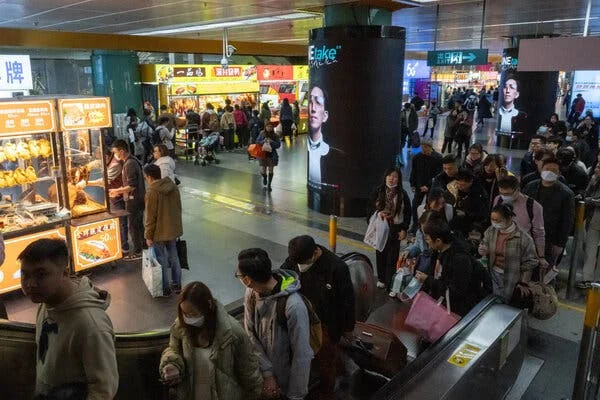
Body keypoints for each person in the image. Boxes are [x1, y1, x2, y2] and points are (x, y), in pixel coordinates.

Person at [19, 239, 118, 398]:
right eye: (25, 274)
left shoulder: (91, 325)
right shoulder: (46, 303)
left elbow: (103, 389)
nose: (30, 284)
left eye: (41, 275)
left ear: (65, 273)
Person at [159, 281, 263, 399]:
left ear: (208, 305)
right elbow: (173, 349)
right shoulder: (181, 326)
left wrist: (256, 393)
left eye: (193, 314)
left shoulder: (232, 332)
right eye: (184, 313)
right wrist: (171, 364)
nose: (188, 318)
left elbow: (248, 370)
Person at [283, 235, 355, 398]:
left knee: (326, 360)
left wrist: (348, 328)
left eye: (304, 263)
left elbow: (347, 301)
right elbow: (284, 275)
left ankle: (327, 389)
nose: (300, 267)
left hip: (327, 324)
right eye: (298, 264)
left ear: (315, 252)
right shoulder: (297, 257)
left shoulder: (337, 268)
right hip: (304, 319)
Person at [238, 248, 313, 400]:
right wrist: (267, 374)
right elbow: (250, 333)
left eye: (238, 275)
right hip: (264, 378)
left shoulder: (293, 306)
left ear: (247, 280)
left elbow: (302, 354)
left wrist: (295, 395)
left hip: (288, 385)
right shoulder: (251, 293)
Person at [478, 204, 539, 302]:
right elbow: (484, 243)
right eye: (492, 220)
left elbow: (530, 262)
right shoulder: (491, 231)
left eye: (498, 220)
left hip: (512, 278)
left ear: (509, 218)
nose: (494, 223)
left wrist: (523, 282)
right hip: (492, 273)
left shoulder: (524, 238)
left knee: (507, 303)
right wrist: (482, 249)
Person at [523, 158, 575, 270]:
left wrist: (560, 244)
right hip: (528, 235)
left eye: (553, 170)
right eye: (547, 169)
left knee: (544, 270)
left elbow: (567, 221)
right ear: (541, 169)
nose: (549, 172)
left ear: (559, 173)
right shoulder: (530, 186)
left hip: (550, 238)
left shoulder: (566, 194)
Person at [422, 222, 479, 316]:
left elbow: (455, 291)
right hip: (442, 303)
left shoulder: (460, 259)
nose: (427, 242)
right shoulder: (439, 251)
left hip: (455, 310)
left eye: (428, 239)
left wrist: (428, 280)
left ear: (438, 241)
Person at [143, 164, 183, 296]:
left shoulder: (151, 192)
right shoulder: (172, 186)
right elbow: (178, 207)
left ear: (149, 176)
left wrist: (148, 236)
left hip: (159, 231)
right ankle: (177, 284)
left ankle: (165, 288)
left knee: (161, 259)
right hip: (172, 228)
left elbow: (150, 217)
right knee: (174, 255)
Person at [369, 167, 412, 289]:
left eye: (395, 176)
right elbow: (369, 208)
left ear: (399, 179)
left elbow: (408, 213)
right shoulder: (378, 191)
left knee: (392, 256)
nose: (392, 179)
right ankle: (382, 279)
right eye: (390, 176)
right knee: (380, 253)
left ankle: (389, 282)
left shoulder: (402, 194)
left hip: (396, 228)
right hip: (381, 226)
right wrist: (378, 214)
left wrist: (404, 229)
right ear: (385, 177)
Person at [494, 176, 547, 270]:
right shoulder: (498, 200)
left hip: (521, 253)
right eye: (501, 193)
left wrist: (541, 256)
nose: (504, 196)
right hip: (499, 251)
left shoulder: (533, 206)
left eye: (507, 194)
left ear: (518, 190)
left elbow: (539, 233)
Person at [109, 139, 145, 260]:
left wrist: (117, 191)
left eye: (116, 152)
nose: (115, 155)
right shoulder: (131, 161)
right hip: (137, 199)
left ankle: (138, 252)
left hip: (134, 200)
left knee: (133, 226)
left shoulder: (129, 164)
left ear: (122, 151)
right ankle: (143, 247)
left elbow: (132, 185)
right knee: (138, 225)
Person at [409, 139, 442, 232]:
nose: (424, 149)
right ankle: (415, 224)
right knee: (415, 204)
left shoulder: (438, 158)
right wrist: (412, 184)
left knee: (430, 205)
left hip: (432, 187)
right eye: (422, 147)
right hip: (419, 185)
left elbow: (438, 175)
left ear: (431, 147)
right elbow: (414, 172)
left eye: (426, 147)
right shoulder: (417, 157)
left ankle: (428, 224)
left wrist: (428, 186)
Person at [579, 164, 600, 288]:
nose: (597, 169)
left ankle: (597, 280)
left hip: (595, 217)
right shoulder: (593, 180)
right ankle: (587, 278)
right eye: (597, 167)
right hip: (593, 219)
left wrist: (592, 201)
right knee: (589, 249)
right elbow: (586, 195)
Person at [453, 169, 489, 236]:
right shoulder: (454, 189)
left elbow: (483, 214)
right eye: (457, 183)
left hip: (473, 226)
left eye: (462, 185)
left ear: (470, 182)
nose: (459, 187)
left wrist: (466, 214)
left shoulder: (479, 194)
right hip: (456, 223)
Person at [256, 122, 281, 191]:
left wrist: (271, 142)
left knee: (271, 170)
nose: (269, 128)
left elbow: (278, 145)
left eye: (271, 127)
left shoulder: (275, 135)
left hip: (271, 155)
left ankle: (269, 185)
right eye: (268, 126)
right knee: (263, 170)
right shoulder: (262, 133)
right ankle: (264, 177)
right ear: (265, 127)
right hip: (262, 154)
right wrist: (263, 141)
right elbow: (257, 141)